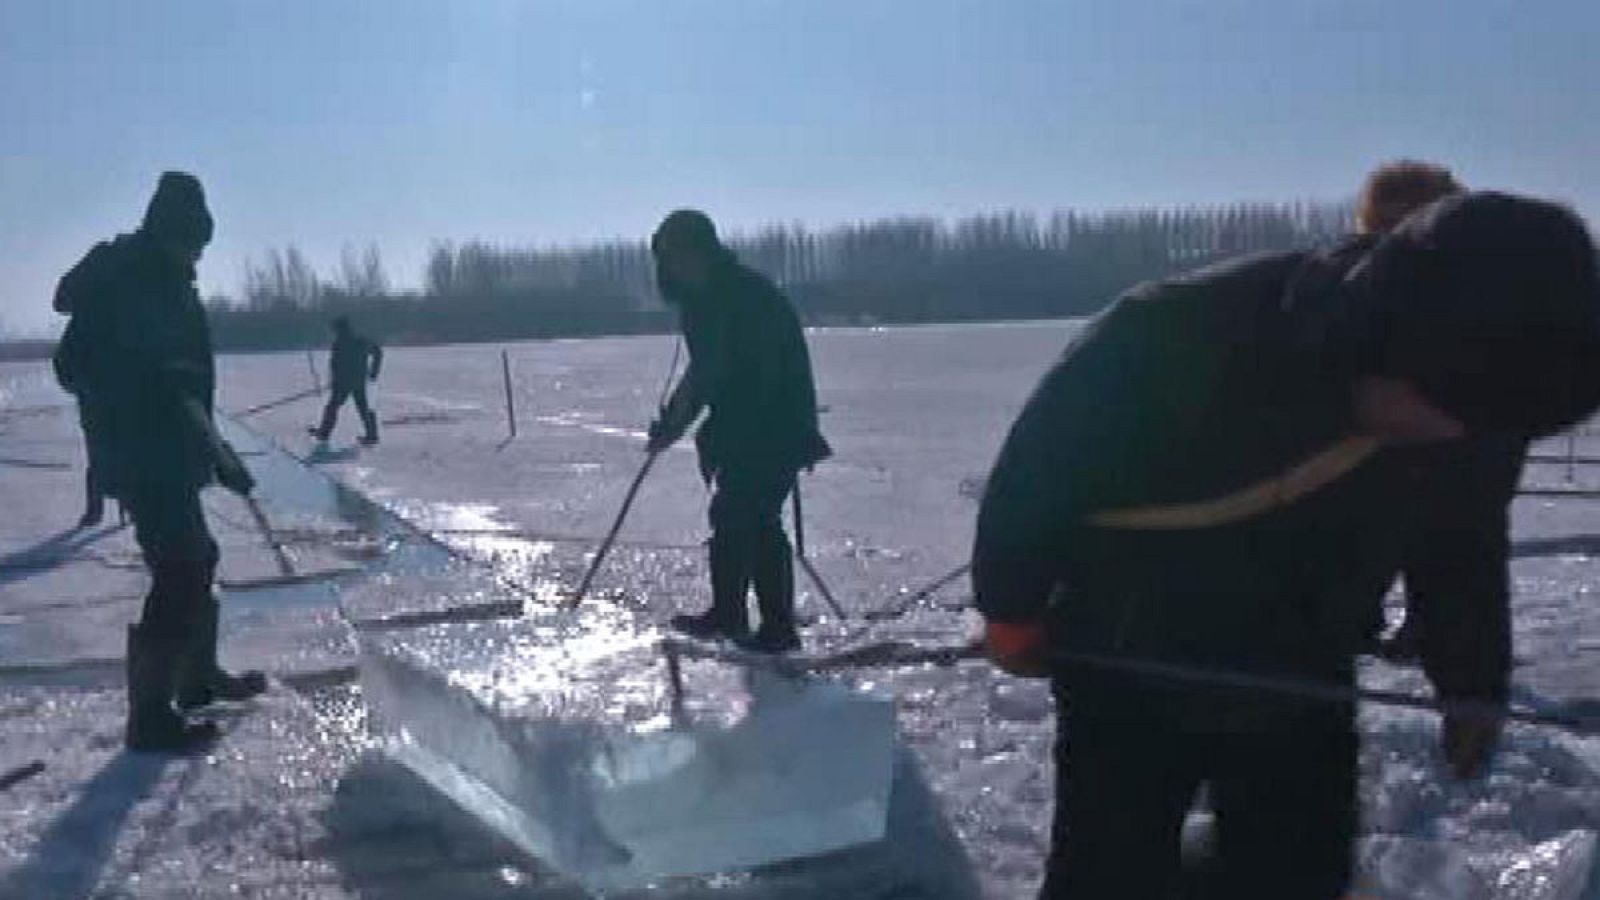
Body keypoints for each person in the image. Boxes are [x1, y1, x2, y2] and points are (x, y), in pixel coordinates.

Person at [971, 190, 1600, 898]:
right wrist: (1012, 610)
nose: (1459, 439)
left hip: (1305, 668)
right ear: (1382, 342)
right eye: (1445, 414)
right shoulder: (1180, 333)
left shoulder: (1486, 403)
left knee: (1296, 876)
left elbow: (1461, 542)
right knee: (1111, 874)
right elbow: (1038, 474)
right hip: (1127, 660)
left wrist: (1472, 677)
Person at [53, 171, 268, 753]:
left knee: (199, 558)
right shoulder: (139, 284)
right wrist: (214, 451)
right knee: (179, 571)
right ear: (168, 230)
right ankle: (149, 716)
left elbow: (184, 387)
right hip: (145, 451)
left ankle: (196, 680)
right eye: (192, 240)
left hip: (164, 448)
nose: (197, 252)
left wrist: (212, 448)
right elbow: (166, 386)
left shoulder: (160, 277)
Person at [645, 210, 832, 654]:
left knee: (745, 517)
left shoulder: (742, 296)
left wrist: (689, 422)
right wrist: (672, 422)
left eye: (678, 256)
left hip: (774, 425)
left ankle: (770, 626)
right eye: (667, 260)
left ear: (702, 252)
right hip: (742, 430)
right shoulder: (704, 299)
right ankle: (735, 615)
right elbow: (702, 372)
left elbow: (729, 372)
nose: (672, 268)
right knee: (744, 519)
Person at [309, 316, 382, 445]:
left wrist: (334, 381)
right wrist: (373, 372)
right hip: (358, 380)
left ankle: (324, 433)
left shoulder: (339, 344)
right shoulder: (360, 340)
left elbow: (336, 365)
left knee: (332, 407)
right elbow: (378, 352)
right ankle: (372, 435)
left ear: (339, 329)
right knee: (363, 407)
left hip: (344, 383)